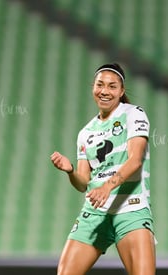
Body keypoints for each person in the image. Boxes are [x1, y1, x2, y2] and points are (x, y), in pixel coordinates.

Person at [50, 63, 156, 275]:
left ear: (121, 91)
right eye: (100, 85)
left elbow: (135, 160)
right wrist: (70, 171)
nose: (105, 91)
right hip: (95, 212)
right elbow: (83, 184)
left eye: (112, 86)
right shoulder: (86, 132)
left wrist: (107, 187)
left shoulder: (134, 114)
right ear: (93, 88)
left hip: (130, 208)